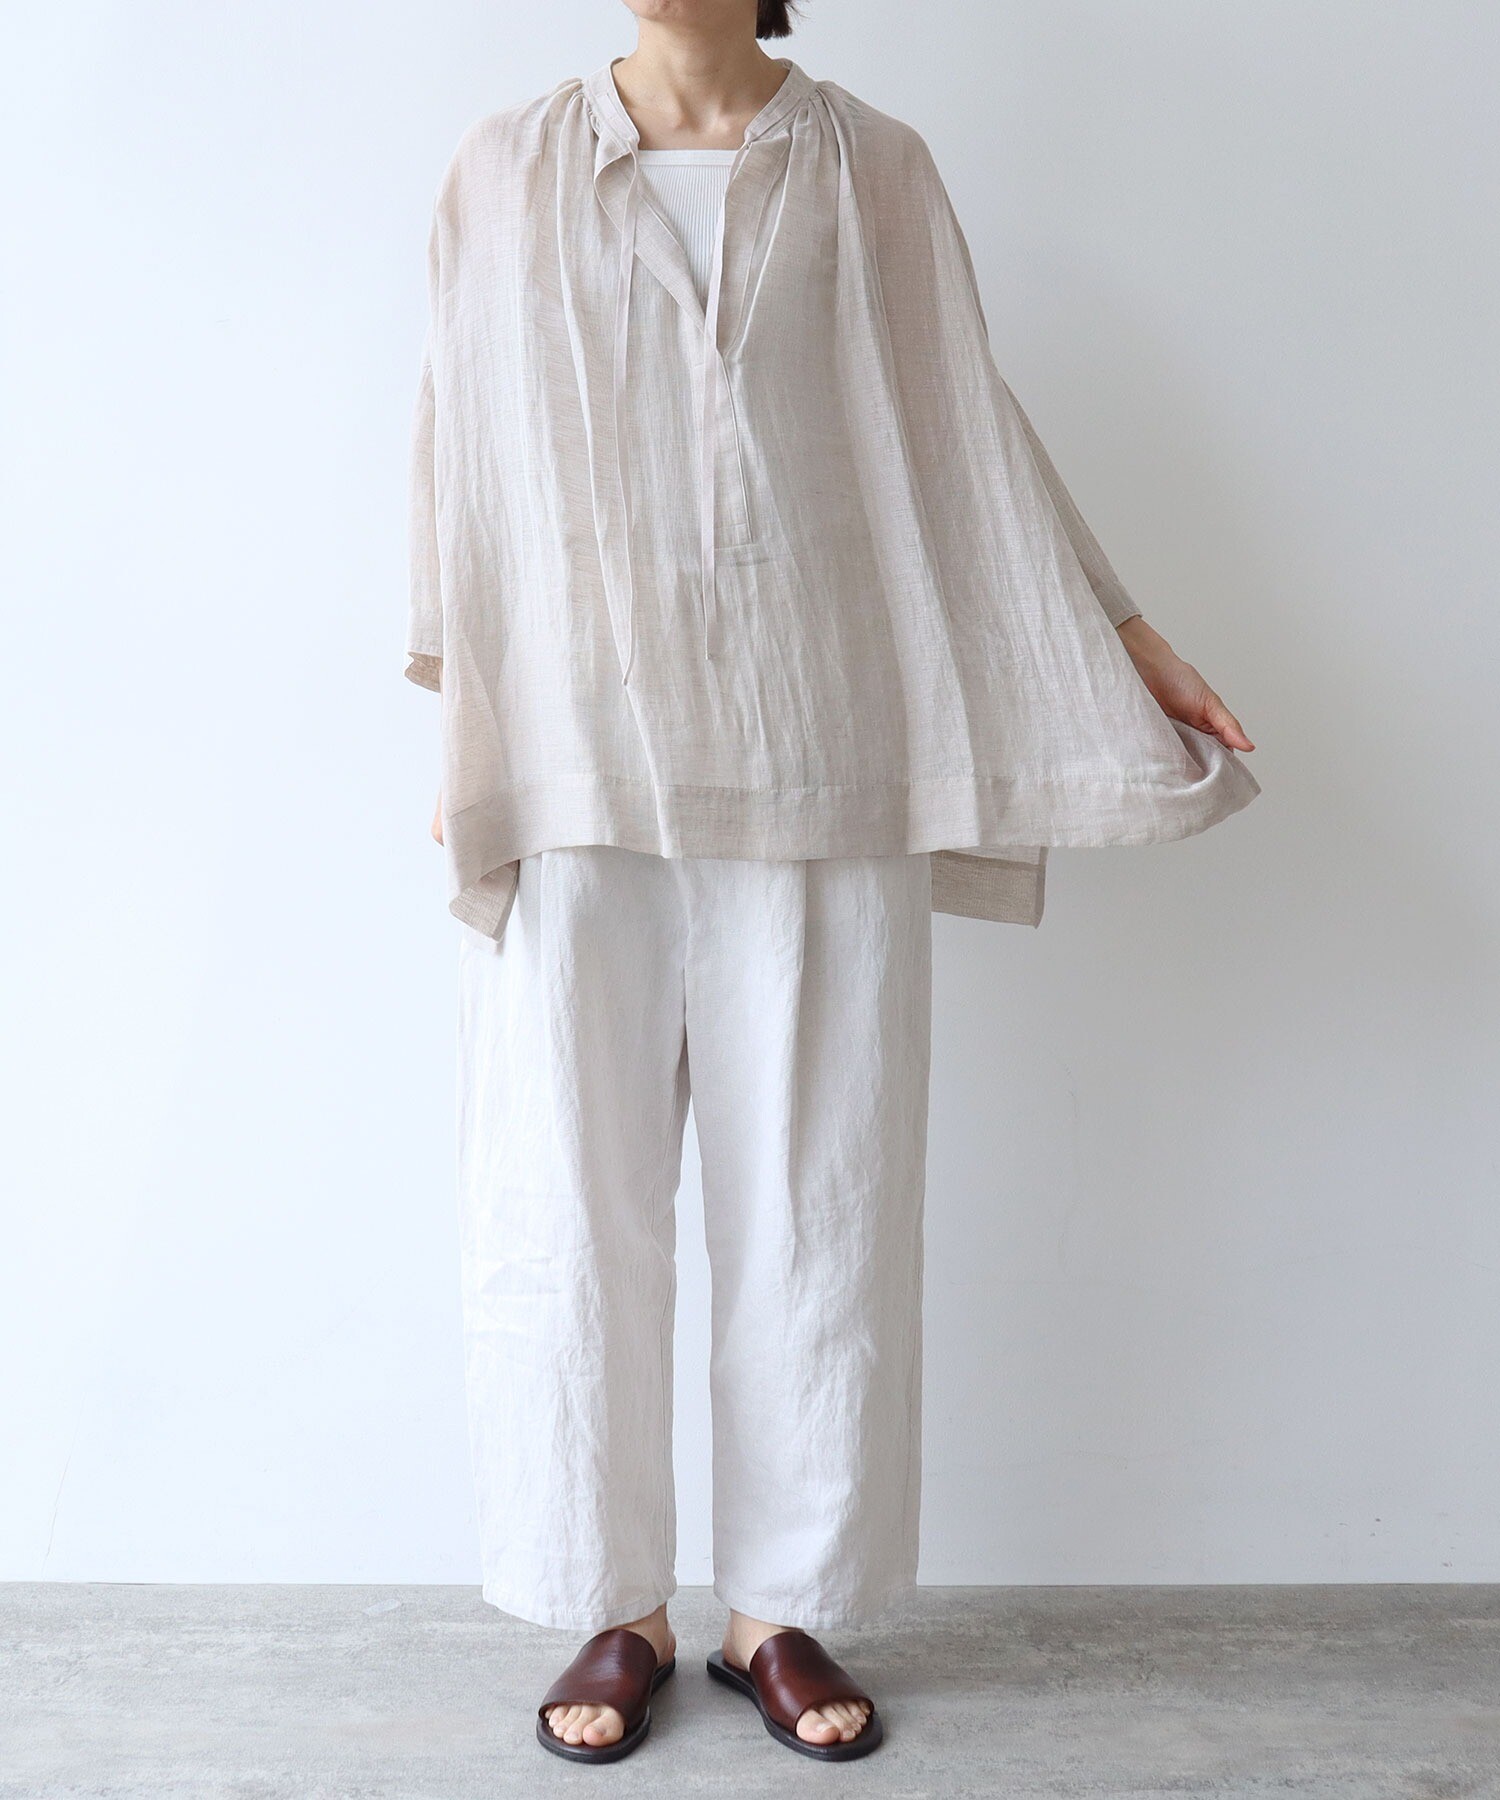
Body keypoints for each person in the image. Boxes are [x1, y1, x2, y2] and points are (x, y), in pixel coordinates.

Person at [407, 0, 1260, 1766]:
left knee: (821, 1204)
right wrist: (471, 715)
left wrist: (1127, 639)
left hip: (820, 742)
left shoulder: (874, 168)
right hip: (579, 757)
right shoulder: (502, 168)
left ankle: (777, 1611)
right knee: (566, 1202)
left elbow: (961, 433)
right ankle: (614, 1603)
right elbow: (461, 445)